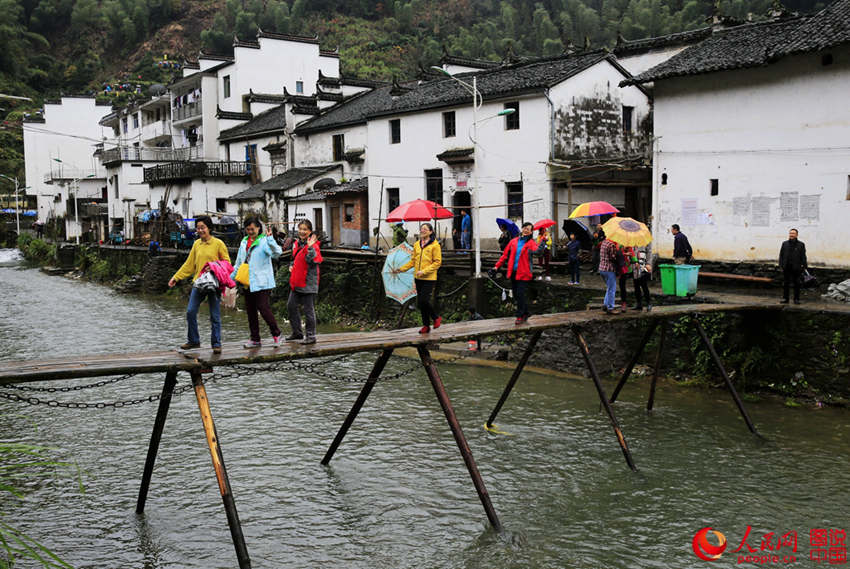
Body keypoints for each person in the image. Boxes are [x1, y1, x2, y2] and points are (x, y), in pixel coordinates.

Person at [168, 215, 230, 353]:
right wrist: (176, 277)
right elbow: (189, 265)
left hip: (213, 284)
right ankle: (194, 341)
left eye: (203, 227)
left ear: (209, 228)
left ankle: (216, 343)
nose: (200, 230)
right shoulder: (196, 244)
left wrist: (213, 266)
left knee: (214, 315)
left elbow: (227, 263)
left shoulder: (218, 244)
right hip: (199, 282)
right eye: (198, 228)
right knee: (190, 311)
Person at [230, 217, 283, 348]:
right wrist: (230, 279)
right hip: (247, 281)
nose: (250, 231)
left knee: (263, 308)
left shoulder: (264, 241)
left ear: (258, 228)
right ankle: (255, 339)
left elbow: (277, 253)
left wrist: (271, 240)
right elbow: (238, 263)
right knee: (251, 311)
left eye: (252, 229)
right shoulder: (243, 242)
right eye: (247, 229)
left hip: (262, 281)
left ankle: (277, 334)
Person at [396, 222, 442, 334]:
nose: (422, 231)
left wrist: (424, 271)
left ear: (431, 232)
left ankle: (436, 317)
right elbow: (413, 261)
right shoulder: (417, 244)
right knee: (421, 303)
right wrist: (401, 269)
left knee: (423, 300)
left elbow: (437, 262)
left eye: (425, 229)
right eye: (421, 229)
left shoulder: (435, 245)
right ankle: (426, 325)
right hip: (418, 277)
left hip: (429, 278)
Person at [490, 222, 539, 324]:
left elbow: (538, 252)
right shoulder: (513, 241)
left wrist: (543, 241)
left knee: (520, 294)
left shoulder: (531, 243)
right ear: (522, 229)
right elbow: (504, 256)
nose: (526, 230)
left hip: (524, 273)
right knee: (516, 295)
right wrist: (496, 267)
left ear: (531, 232)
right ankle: (526, 312)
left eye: (528, 229)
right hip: (513, 272)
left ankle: (519, 316)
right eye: (525, 228)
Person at [287, 219, 323, 344]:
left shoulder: (314, 245)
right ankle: (297, 333)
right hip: (297, 282)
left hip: (308, 282)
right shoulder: (297, 243)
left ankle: (311, 336)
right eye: (300, 229)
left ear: (310, 231)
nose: (302, 232)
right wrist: (291, 265)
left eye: (305, 229)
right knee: (291, 306)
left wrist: (311, 247)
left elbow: (312, 260)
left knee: (308, 310)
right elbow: (295, 258)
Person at [779, 228, 807, 305]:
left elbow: (803, 256)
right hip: (786, 267)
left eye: (793, 233)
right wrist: (781, 265)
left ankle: (796, 299)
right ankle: (785, 298)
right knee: (786, 284)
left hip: (796, 267)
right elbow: (781, 255)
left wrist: (804, 266)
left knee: (797, 284)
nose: (791, 235)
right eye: (790, 233)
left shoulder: (801, 244)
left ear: (796, 235)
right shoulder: (784, 243)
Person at [598, 237, 619, 314]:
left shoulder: (604, 242)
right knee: (612, 289)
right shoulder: (611, 245)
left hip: (601, 268)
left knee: (609, 287)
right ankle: (610, 307)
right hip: (609, 269)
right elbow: (613, 258)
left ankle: (605, 304)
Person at [632, 245, 654, 311]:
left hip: (643, 265)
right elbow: (632, 252)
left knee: (644, 285)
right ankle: (639, 304)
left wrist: (648, 264)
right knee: (636, 286)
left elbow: (649, 253)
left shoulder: (645, 240)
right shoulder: (632, 239)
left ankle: (649, 303)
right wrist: (634, 261)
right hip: (635, 266)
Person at [617, 244, 634, 311]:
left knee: (624, 286)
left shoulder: (629, 245)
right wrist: (624, 253)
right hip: (620, 267)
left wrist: (634, 260)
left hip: (627, 268)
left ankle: (625, 303)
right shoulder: (617, 244)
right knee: (621, 286)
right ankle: (623, 303)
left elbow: (633, 256)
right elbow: (616, 254)